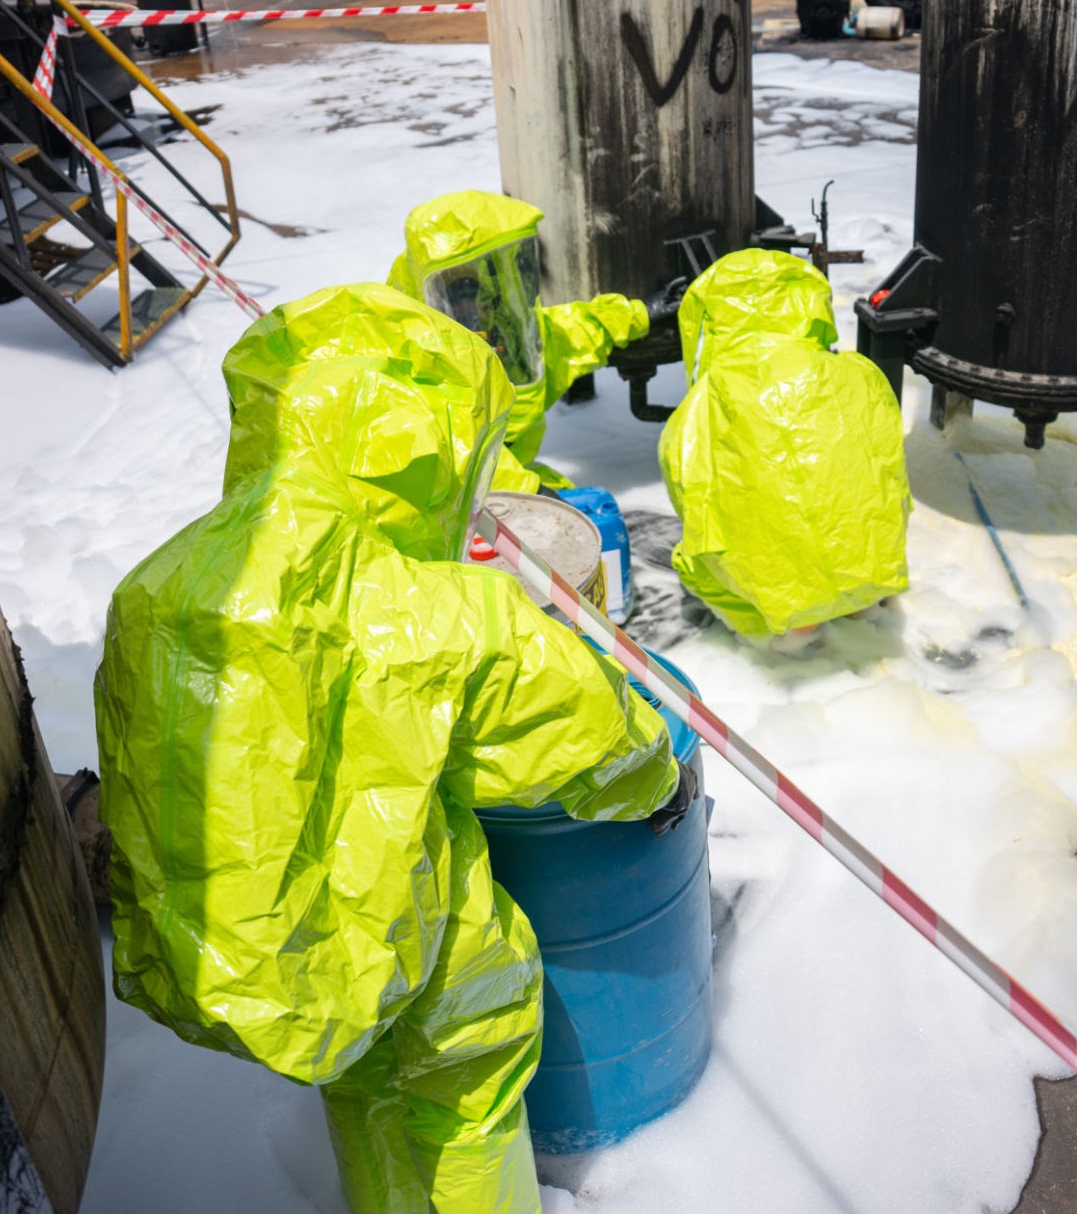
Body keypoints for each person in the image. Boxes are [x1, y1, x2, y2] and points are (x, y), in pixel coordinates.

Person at [96, 282, 685, 1214]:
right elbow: (599, 741)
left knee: (368, 1095)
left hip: (262, 975)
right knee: (461, 1104)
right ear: (423, 451)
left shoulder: (157, 591)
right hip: (417, 966)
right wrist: (663, 774)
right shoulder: (438, 616)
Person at [659, 249, 912, 642]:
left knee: (698, 558)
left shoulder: (709, 401)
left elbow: (689, 491)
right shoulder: (859, 374)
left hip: (782, 600)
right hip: (873, 570)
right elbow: (891, 473)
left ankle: (788, 634)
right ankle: (859, 607)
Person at [387, 189, 650, 493]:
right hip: (445, 507)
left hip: (508, 481)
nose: (469, 305)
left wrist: (641, 315)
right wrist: (528, 492)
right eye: (454, 293)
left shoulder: (505, 336)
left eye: (472, 290)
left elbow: (569, 333)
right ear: (426, 297)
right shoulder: (407, 365)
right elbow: (453, 452)